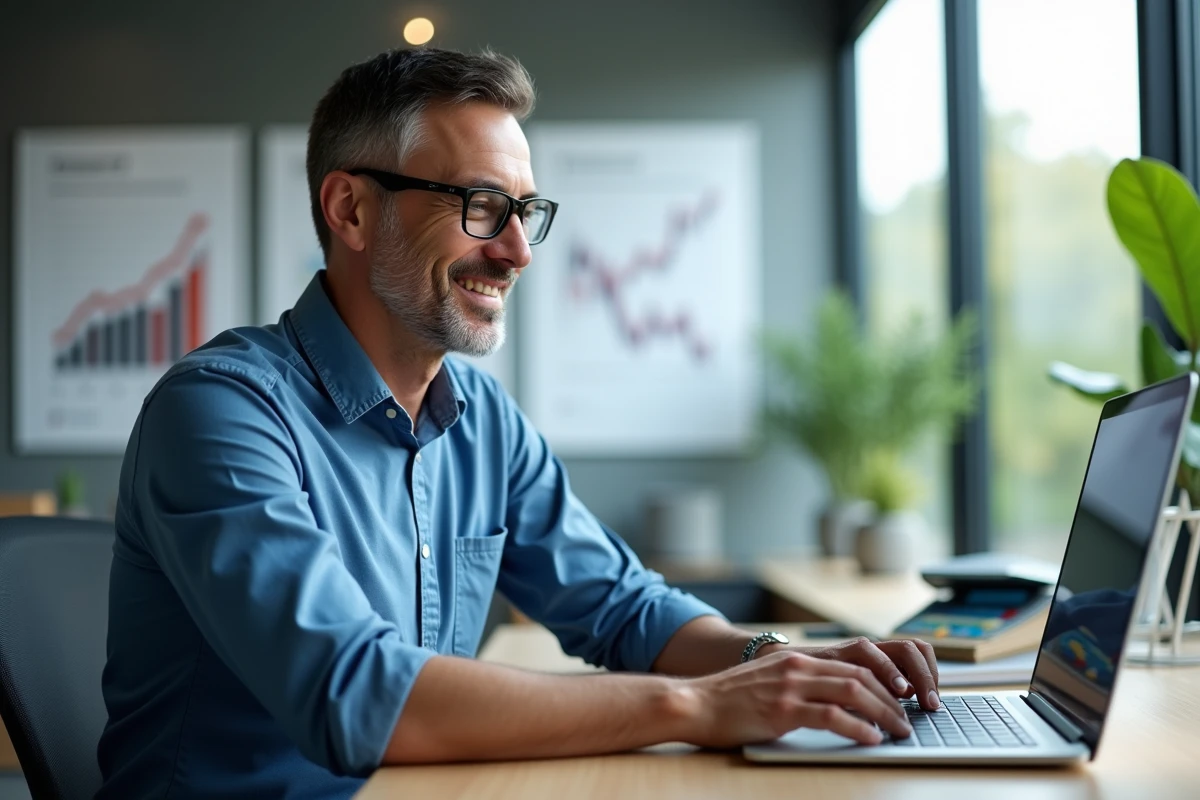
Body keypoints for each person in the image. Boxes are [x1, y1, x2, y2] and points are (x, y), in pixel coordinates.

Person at [95, 47, 940, 800]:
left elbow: (621, 607)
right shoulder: (219, 412)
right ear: (350, 210)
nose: (517, 251)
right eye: (478, 204)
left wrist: (772, 663)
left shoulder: (482, 421)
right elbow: (353, 698)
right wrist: (698, 705)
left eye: (525, 211)